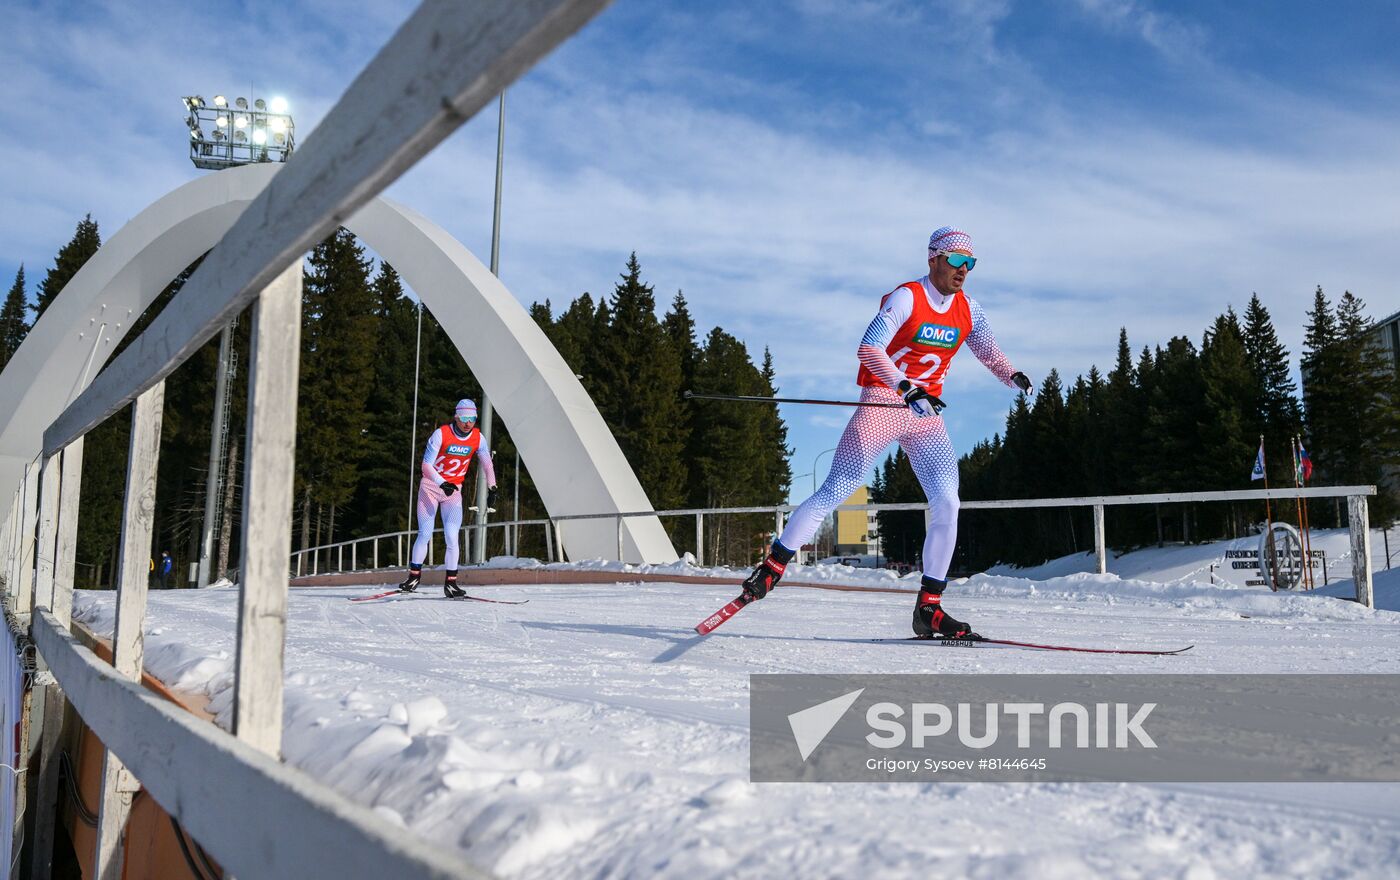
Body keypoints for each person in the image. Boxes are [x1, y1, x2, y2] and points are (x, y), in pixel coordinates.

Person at [740, 226, 1033, 637]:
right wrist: (904, 387)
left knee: (948, 501)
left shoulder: (971, 309)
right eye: (955, 260)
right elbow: (869, 348)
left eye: (970, 263)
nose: (963, 270)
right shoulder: (907, 297)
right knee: (838, 488)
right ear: (933, 259)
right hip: (885, 400)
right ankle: (772, 566)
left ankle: (929, 608)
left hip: (925, 414)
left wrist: (1011, 374)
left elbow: (985, 347)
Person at [399, 399, 498, 597]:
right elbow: (426, 466)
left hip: (453, 492)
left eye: (472, 419)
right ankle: (414, 577)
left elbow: (487, 463)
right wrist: (441, 482)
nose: (467, 423)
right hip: (430, 488)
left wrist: (492, 487)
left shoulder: (478, 438)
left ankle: (451, 583)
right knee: (425, 534)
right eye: (463, 418)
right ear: (456, 416)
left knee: (452, 537)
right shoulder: (441, 434)